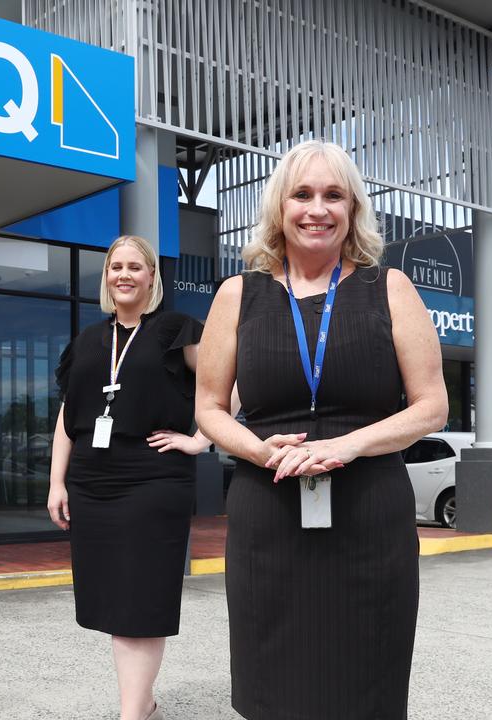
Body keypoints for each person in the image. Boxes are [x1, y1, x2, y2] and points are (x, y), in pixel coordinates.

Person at [195, 139, 448, 719]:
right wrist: (259, 451)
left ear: (353, 208)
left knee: (366, 683)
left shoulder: (389, 288)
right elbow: (208, 408)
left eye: (334, 195)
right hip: (269, 510)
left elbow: (432, 406)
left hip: (369, 515)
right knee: (274, 687)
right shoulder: (238, 295)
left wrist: (348, 444)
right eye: (302, 194)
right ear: (278, 208)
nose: (317, 209)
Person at [48, 235, 210, 720]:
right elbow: (67, 415)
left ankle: (131, 715)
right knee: (116, 605)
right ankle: (142, 706)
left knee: (141, 602)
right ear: (106, 277)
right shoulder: (89, 341)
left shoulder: (175, 329)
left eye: (135, 267)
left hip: (154, 479)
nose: (124, 275)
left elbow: (228, 383)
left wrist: (200, 439)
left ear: (152, 277)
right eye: (115, 266)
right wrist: (57, 482)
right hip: (92, 483)